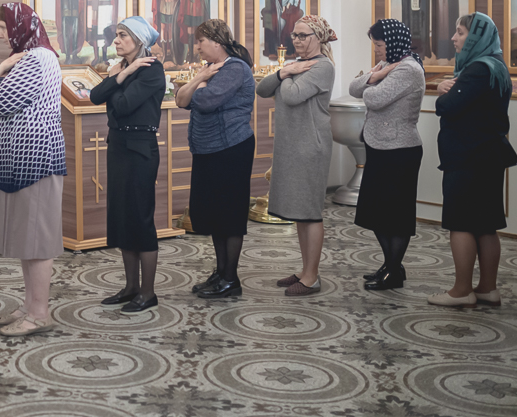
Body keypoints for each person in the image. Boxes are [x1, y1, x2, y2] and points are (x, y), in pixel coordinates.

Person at [0, 2, 65, 336]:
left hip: (36, 160)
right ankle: (30, 306)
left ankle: (40, 313)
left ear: (21, 28)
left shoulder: (36, 59)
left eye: (4, 28)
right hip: (22, 159)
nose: (0, 35)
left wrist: (0, 70)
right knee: (27, 237)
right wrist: (2, 69)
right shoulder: (30, 57)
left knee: (37, 239)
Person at [429, 12, 517, 307]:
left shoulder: (478, 69)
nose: (454, 38)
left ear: (476, 37)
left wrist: (442, 90)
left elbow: (447, 106)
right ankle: (487, 289)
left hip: (468, 157)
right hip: (488, 156)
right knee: (485, 225)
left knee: (461, 223)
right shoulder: (497, 66)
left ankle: (461, 290)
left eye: (460, 32)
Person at [255, 15, 337, 296]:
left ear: (318, 38)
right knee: (301, 213)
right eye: (294, 35)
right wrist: (284, 72)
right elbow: (262, 89)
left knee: (310, 212)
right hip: (292, 146)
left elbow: (291, 96)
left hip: (310, 146)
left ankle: (312, 278)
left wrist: (287, 73)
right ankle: (305, 270)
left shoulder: (322, 66)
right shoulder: (298, 65)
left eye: (303, 35)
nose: (297, 40)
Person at [91, 17, 166, 313]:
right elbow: (95, 96)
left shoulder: (152, 69)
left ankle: (148, 292)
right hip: (119, 148)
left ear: (139, 39)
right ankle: (131, 287)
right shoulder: (122, 68)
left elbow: (121, 106)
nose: (116, 40)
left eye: (123, 35)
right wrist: (121, 74)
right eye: (116, 35)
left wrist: (119, 78)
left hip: (140, 150)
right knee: (123, 217)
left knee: (140, 219)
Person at [176, 19, 255, 298]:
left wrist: (197, 87)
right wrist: (200, 79)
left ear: (218, 42)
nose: (197, 46)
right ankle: (221, 272)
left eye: (201, 41)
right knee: (214, 215)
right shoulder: (212, 69)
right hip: (209, 149)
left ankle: (231, 279)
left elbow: (205, 101)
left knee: (229, 215)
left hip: (231, 148)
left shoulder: (235, 68)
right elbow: (180, 100)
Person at [349, 19, 425, 290]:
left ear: (392, 42)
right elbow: (353, 88)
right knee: (375, 212)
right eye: (374, 45)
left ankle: (393, 270)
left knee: (396, 216)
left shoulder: (408, 69)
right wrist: (375, 76)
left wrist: (373, 80)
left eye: (379, 45)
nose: (376, 50)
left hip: (400, 150)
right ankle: (392, 265)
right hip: (380, 147)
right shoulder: (387, 64)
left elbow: (373, 99)